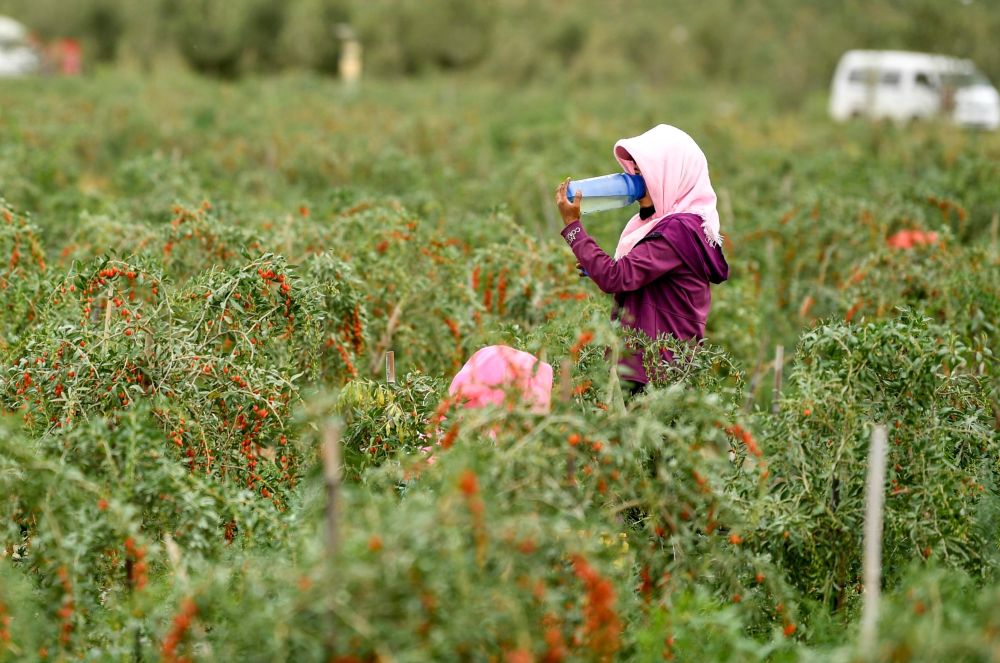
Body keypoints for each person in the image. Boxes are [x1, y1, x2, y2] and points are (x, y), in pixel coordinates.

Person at [555, 124, 729, 396]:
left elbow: (615, 277)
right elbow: (641, 275)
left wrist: (573, 226)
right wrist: (595, 267)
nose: (634, 181)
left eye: (643, 173)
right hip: (657, 370)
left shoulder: (679, 231)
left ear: (669, 175)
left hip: (656, 375)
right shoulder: (674, 226)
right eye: (632, 171)